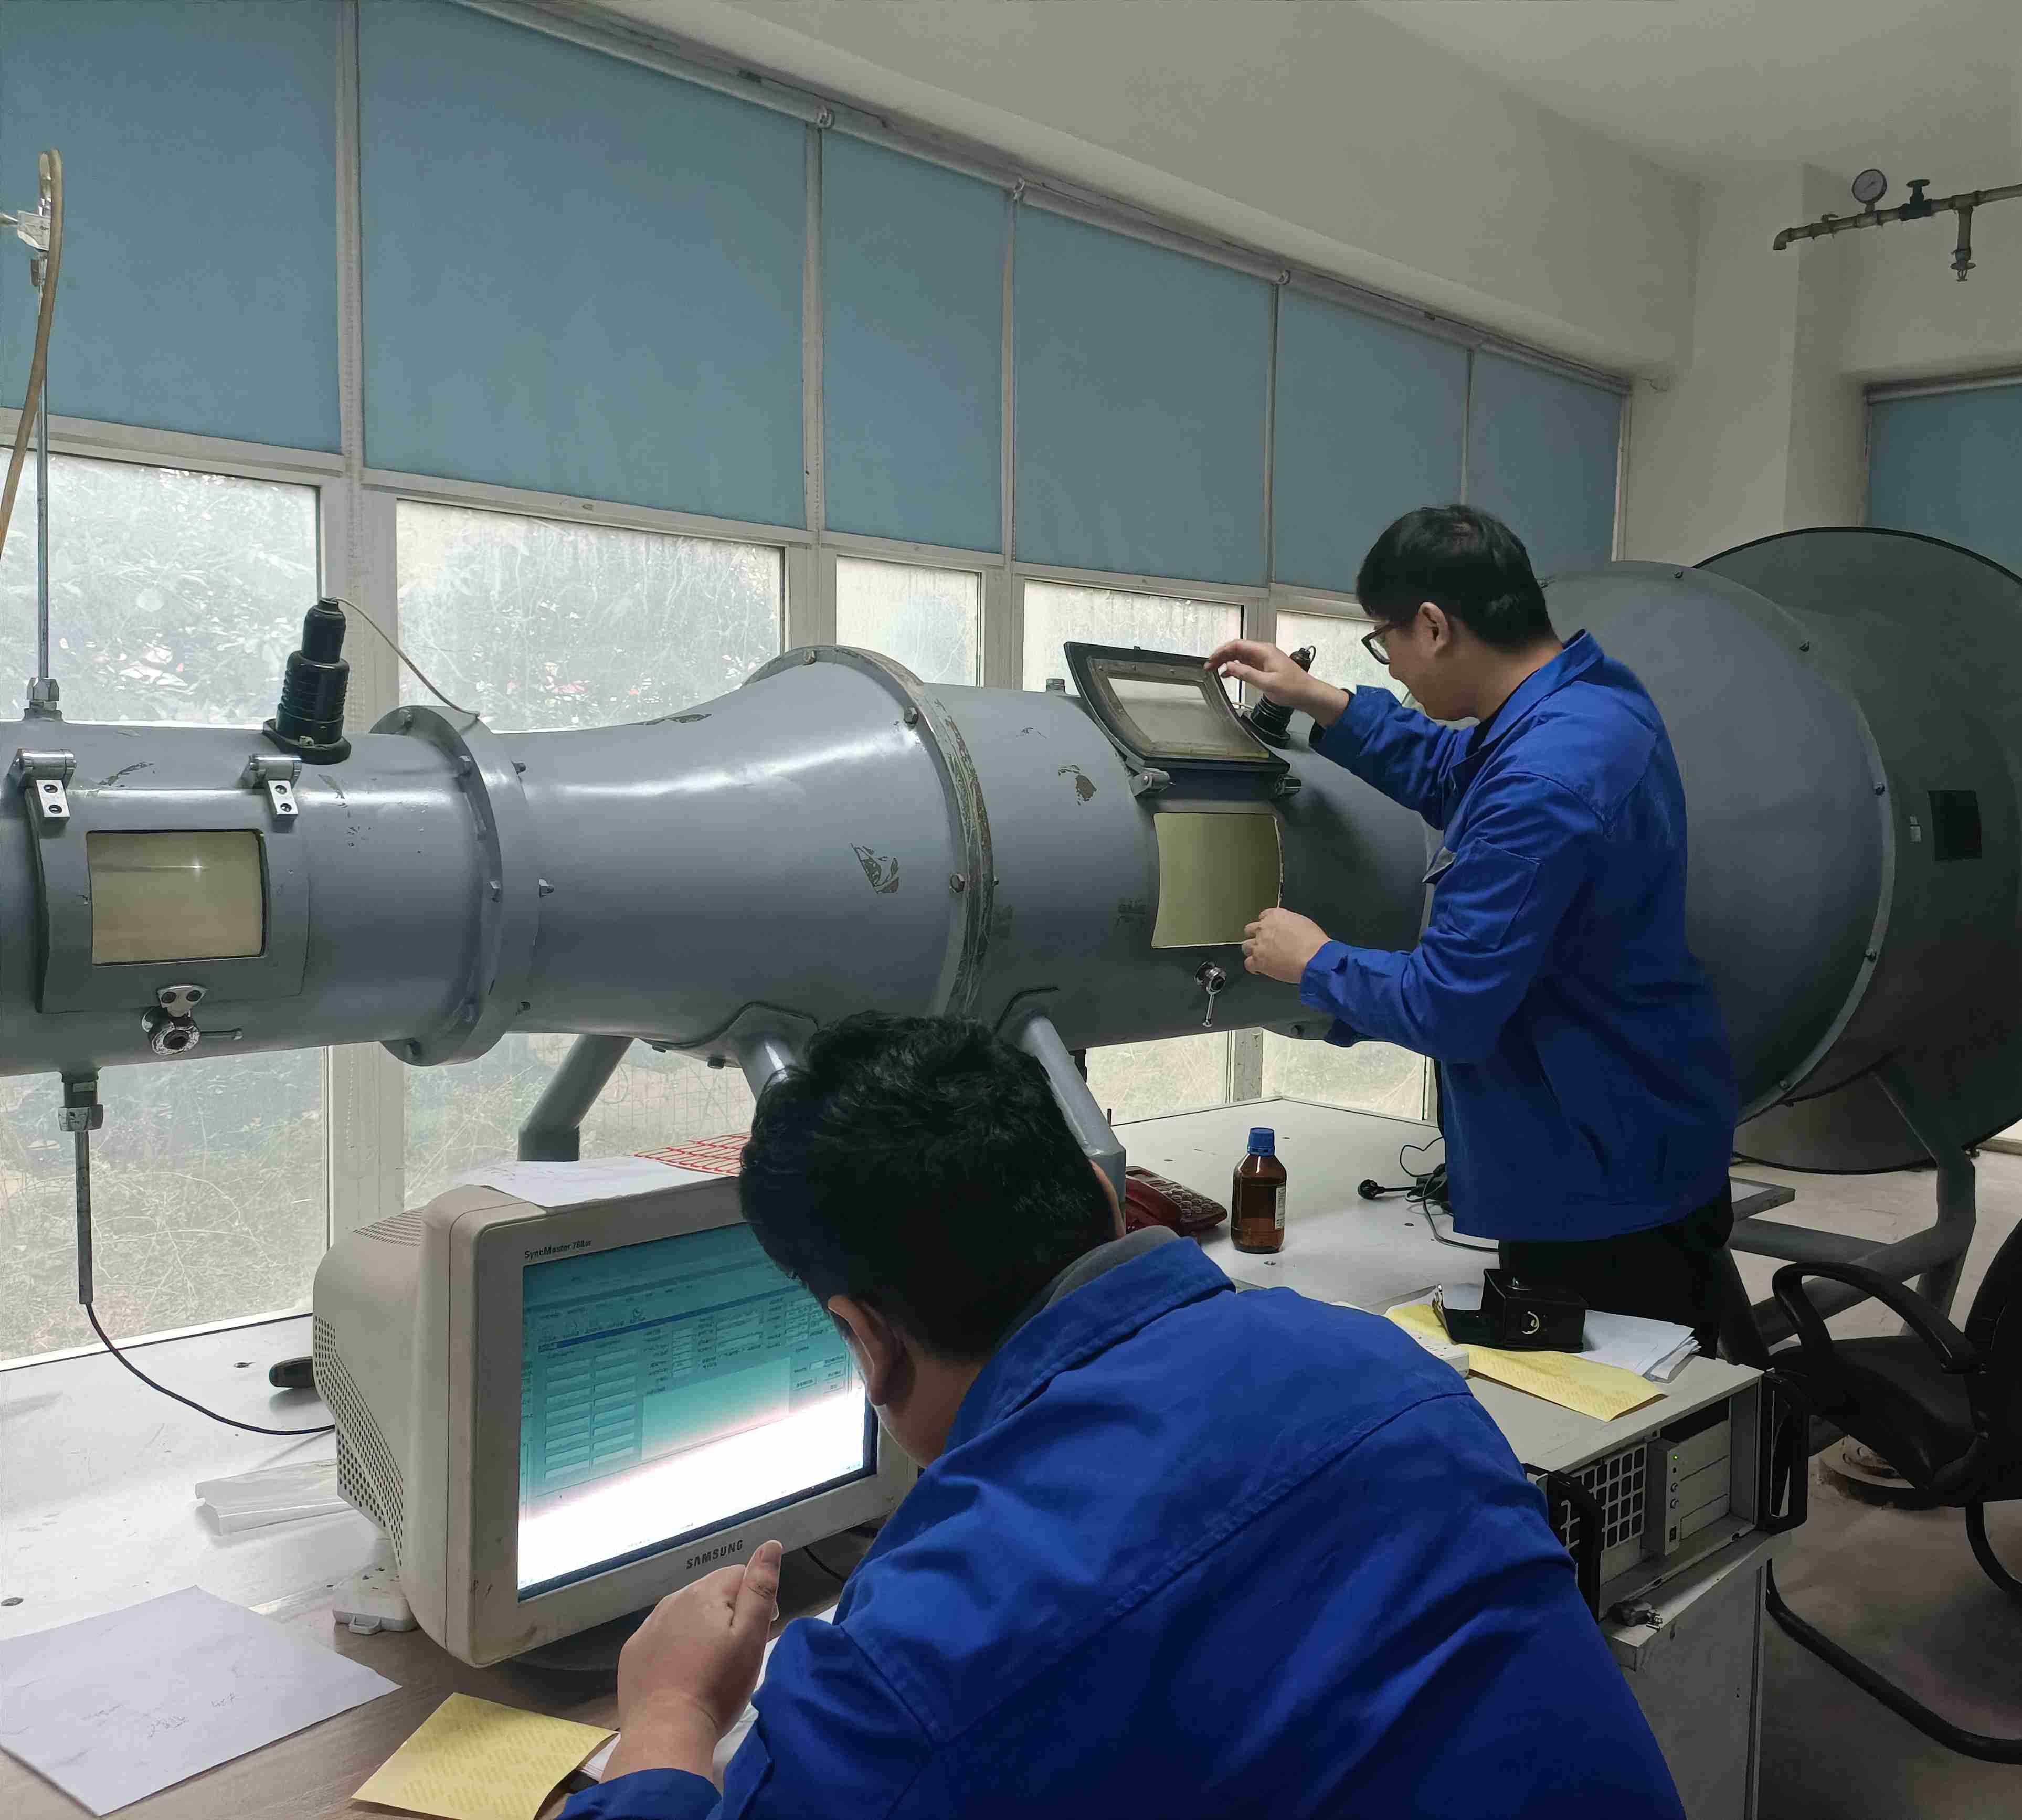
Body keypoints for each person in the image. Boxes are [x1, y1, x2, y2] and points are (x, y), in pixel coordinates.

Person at [565, 1012, 1682, 1820]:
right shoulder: (1385, 1368)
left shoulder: (930, 1654)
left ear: (865, 1338)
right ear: (1108, 1197)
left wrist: (670, 1715)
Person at [1206, 505, 1744, 1353]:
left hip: (1594, 1172)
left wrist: (1315, 962)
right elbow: (1455, 771)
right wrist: (1320, 700)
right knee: (1683, 1355)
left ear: (1434, 626)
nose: (1395, 667)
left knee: (1624, 1403)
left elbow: (1449, 1006)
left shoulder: (1543, 779)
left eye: (1385, 643)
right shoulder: (1588, 704)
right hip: (1646, 1126)